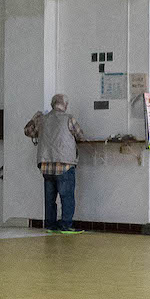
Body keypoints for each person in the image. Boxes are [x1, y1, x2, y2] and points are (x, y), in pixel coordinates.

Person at [24, 94, 87, 233]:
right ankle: (66, 226)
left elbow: (28, 132)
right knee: (67, 197)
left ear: (53, 104)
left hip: (46, 165)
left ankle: (50, 225)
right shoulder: (69, 119)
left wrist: (35, 118)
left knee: (49, 198)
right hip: (65, 164)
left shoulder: (42, 120)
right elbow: (81, 136)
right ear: (65, 105)